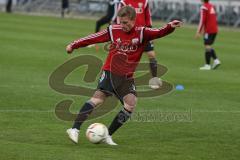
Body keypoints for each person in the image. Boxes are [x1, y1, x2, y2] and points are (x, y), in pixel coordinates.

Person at [66, 6, 181, 145]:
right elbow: (93, 38)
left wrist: (170, 26)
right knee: (98, 100)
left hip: (127, 76)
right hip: (110, 71)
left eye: (126, 23)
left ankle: (107, 135)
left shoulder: (142, 32)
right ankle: (74, 129)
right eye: (121, 22)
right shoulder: (114, 30)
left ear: (134, 20)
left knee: (130, 104)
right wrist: (74, 45)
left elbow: (159, 32)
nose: (123, 25)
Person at [117, 0, 161, 88]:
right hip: (130, 34)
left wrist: (151, 33)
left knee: (151, 54)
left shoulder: (144, 1)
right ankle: (122, 79)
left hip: (143, 33)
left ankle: (154, 79)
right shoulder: (124, 2)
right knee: (128, 57)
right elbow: (119, 19)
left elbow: (148, 18)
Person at [195, 0, 221, 70]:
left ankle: (207, 65)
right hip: (214, 29)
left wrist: (198, 31)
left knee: (207, 46)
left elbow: (202, 20)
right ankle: (216, 60)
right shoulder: (211, 6)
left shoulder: (204, 7)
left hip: (209, 30)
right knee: (208, 45)